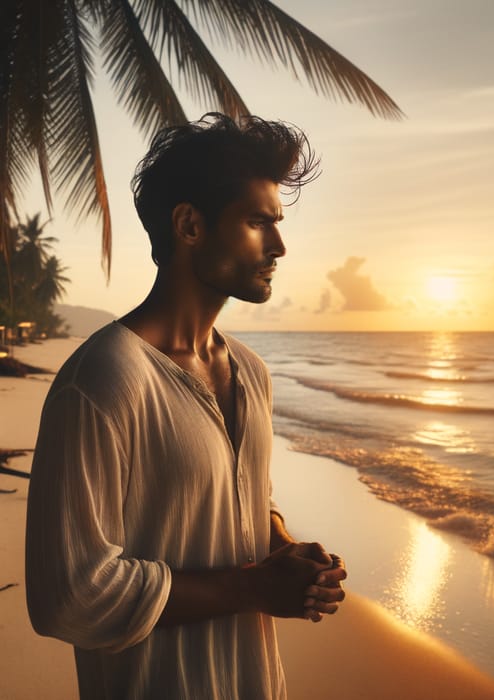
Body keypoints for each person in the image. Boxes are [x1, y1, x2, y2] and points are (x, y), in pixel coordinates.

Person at [25, 113, 347, 700]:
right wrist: (252, 590)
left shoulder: (252, 372)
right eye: (257, 222)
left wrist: (282, 549)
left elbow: (243, 499)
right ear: (189, 225)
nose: (279, 245)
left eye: (276, 224)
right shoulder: (102, 380)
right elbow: (68, 595)